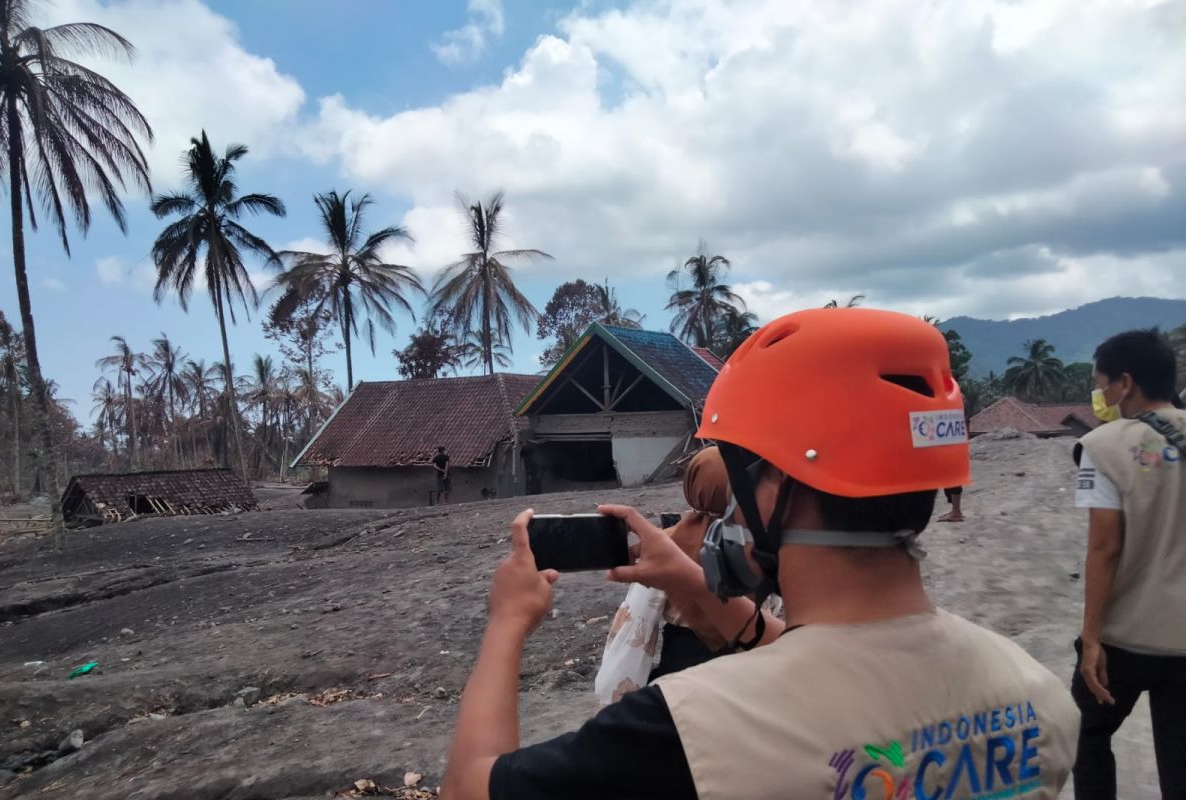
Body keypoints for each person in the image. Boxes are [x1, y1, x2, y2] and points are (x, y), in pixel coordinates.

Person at [441, 308, 1079, 800]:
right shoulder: (1035, 693)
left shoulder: (692, 727)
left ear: (781, 489)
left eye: (743, 483)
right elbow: (842, 674)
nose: (735, 515)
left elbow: (471, 785)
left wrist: (508, 622)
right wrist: (693, 585)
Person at [1072, 328, 1186, 799]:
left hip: (1127, 636)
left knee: (1086, 735)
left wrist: (1091, 637)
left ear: (1126, 383)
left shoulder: (1103, 447)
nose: (1100, 395)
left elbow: (1105, 549)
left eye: (1101, 384)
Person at [594, 447, 744, 704]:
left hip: (685, 672)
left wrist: (617, 692)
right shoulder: (763, 542)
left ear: (692, 484)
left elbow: (639, 620)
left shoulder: (666, 543)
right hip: (748, 670)